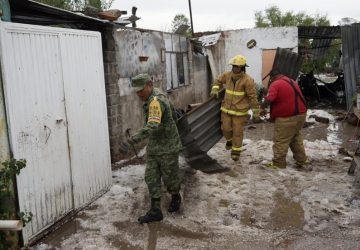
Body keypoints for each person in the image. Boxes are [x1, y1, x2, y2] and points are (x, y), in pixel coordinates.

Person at [121, 73, 182, 223]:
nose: (138, 94)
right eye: (136, 91)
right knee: (151, 177)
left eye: (141, 90)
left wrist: (132, 140)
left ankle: (175, 196)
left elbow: (152, 125)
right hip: (155, 146)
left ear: (150, 84)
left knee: (170, 178)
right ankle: (155, 211)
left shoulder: (155, 100)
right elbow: (173, 113)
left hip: (168, 147)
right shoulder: (156, 94)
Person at [210, 54, 260, 161]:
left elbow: (253, 97)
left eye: (236, 66)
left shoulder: (248, 80)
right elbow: (218, 80)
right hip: (226, 109)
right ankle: (229, 141)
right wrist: (215, 89)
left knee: (237, 132)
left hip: (240, 113)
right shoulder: (227, 75)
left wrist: (256, 112)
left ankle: (236, 152)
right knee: (225, 129)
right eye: (233, 66)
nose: (234, 68)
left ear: (242, 68)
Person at [260, 69, 310, 170]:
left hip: (287, 117)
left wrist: (262, 107)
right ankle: (302, 161)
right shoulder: (291, 81)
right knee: (295, 138)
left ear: (272, 77)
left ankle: (278, 164)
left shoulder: (275, 84)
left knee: (281, 140)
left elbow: (270, 98)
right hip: (301, 115)